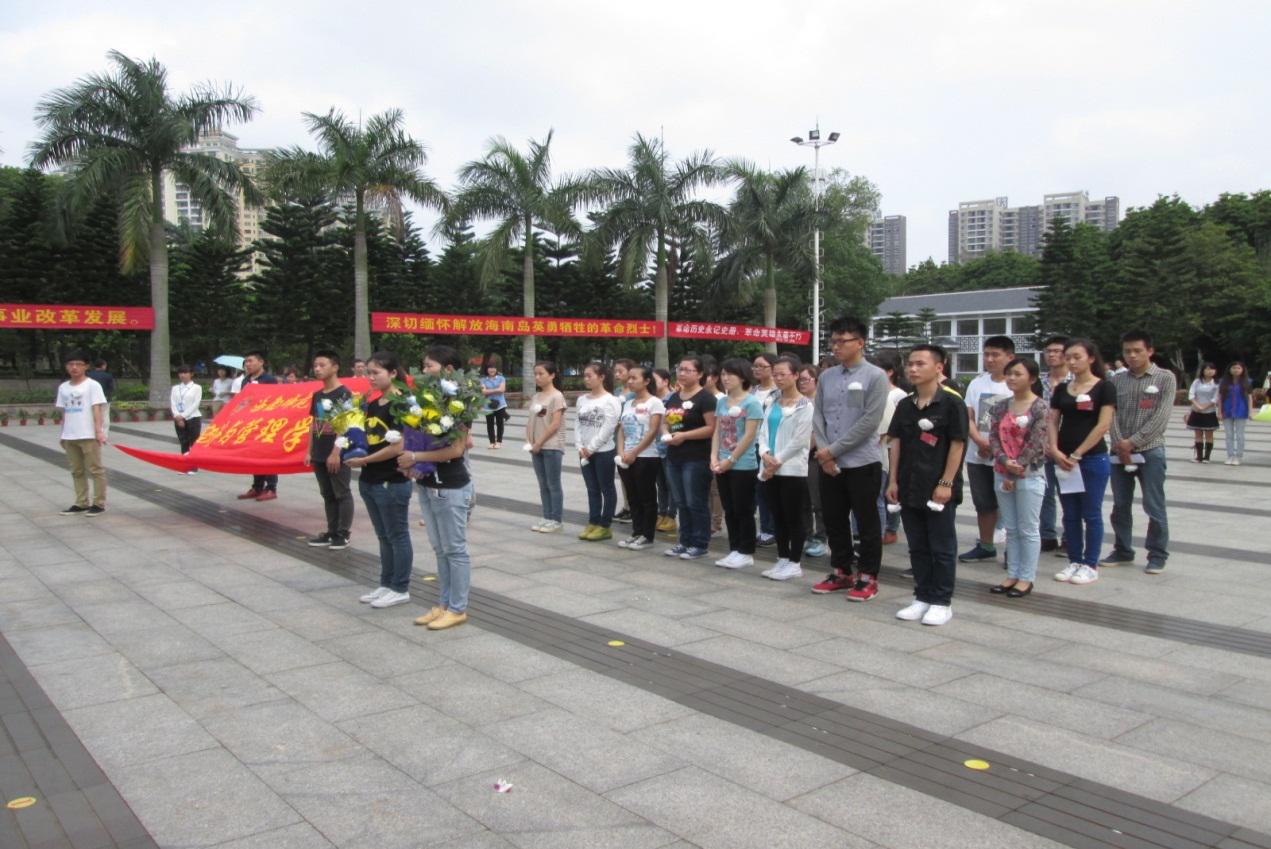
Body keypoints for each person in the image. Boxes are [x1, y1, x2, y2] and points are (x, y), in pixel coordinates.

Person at [886, 344, 967, 625]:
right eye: (910, 364)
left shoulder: (951, 402)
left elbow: (957, 444)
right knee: (917, 546)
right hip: (909, 484)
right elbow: (895, 442)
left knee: (941, 546)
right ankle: (921, 596)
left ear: (939, 367)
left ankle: (942, 601)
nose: (913, 369)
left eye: (920, 364)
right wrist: (893, 480)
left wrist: (946, 482)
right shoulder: (905, 404)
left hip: (938, 487)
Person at [811, 317, 889, 601]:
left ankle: (868, 576)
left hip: (862, 462)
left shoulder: (875, 376)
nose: (836, 347)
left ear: (860, 342)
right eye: (833, 341)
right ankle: (841, 570)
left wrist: (833, 450)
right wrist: (824, 453)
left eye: (842, 341)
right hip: (828, 462)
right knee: (834, 519)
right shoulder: (827, 377)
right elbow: (818, 416)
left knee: (866, 521)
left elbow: (870, 421)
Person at [405, 346, 477, 630]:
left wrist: (415, 457)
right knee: (440, 549)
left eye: (429, 366)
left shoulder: (459, 404)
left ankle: (458, 608)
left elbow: (456, 450)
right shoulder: (425, 403)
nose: (423, 372)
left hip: (450, 485)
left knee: (455, 549)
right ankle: (444, 603)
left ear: (448, 370)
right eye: (422, 366)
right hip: (426, 483)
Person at [1101, 330, 1175, 575]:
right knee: (1120, 504)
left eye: (1137, 351)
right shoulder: (1116, 380)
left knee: (1154, 505)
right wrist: (1119, 442)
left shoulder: (1165, 378)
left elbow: (1161, 418)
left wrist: (1132, 442)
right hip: (1119, 452)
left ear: (1150, 351)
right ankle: (1123, 549)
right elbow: (1111, 413)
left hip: (1150, 451)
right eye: (1127, 351)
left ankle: (1157, 553)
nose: (1131, 356)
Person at [342, 352, 412, 609]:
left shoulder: (402, 403)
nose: (370, 377)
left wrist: (365, 461)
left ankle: (400, 587)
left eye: (376, 373)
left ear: (393, 373)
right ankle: (386, 583)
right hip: (370, 479)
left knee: (397, 535)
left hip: (390, 480)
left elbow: (399, 446)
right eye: (368, 372)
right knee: (383, 535)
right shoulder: (371, 403)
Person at [1048, 339, 1116, 585]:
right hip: (1064, 460)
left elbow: (1103, 425)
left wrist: (1078, 454)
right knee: (1070, 514)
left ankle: (1090, 563)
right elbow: (1052, 421)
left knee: (1091, 512)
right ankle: (1074, 560)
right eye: (1069, 357)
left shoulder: (1104, 387)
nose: (1072, 361)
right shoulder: (1062, 389)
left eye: (1077, 356)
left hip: (1091, 459)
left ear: (1091, 358)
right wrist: (1055, 449)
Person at [988, 358, 1050, 598]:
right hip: (1002, 472)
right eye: (1009, 374)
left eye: (1017, 374)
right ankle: (1012, 574)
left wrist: (1018, 465)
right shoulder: (1001, 406)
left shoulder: (1039, 407)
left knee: (1028, 528)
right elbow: (993, 436)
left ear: (1032, 378)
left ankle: (1026, 577)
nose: (1012, 378)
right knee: (1011, 529)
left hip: (1029, 474)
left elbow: (1038, 440)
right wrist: (1004, 461)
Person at [757, 356, 815, 581]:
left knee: (794, 516)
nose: (778, 378)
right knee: (777, 515)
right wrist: (765, 454)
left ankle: (794, 562)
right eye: (776, 374)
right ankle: (782, 557)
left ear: (795, 375)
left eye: (783, 374)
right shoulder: (772, 400)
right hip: (769, 466)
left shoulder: (805, 405)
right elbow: (763, 431)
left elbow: (800, 440)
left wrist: (776, 460)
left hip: (791, 469)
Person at [959, 335, 1014, 563]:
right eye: (987, 354)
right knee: (983, 503)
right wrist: (980, 442)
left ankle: (1014, 549)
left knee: (1010, 503)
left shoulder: (1014, 383)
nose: (989, 359)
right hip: (977, 453)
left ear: (1010, 357)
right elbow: (968, 416)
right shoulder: (977, 383)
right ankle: (986, 544)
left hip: (1007, 455)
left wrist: (994, 446)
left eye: (995, 355)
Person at [662, 355, 717, 559]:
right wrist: (666, 433)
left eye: (687, 370)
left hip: (696, 457)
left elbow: (711, 428)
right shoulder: (675, 397)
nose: (682, 373)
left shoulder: (705, 398)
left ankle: (700, 543)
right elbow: (667, 421)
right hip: (674, 456)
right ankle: (684, 541)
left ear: (700, 374)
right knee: (681, 501)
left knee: (696, 501)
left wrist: (684, 436)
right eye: (680, 369)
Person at [710, 358, 763, 569]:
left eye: (729, 374)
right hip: (721, 463)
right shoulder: (722, 402)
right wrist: (714, 457)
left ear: (742, 377)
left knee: (743, 509)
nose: (725, 378)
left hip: (743, 464)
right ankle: (734, 549)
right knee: (729, 508)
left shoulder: (752, 403)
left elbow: (749, 436)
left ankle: (746, 551)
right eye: (723, 374)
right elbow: (717, 431)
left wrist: (731, 460)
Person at [307, 350, 353, 550]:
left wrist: (336, 453)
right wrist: (309, 451)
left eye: (322, 365)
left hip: (337, 452)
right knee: (327, 494)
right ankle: (331, 531)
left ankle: (343, 533)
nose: (317, 369)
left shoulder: (344, 394)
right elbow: (313, 423)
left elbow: (346, 426)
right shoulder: (317, 395)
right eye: (316, 365)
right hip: (319, 451)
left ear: (335, 367)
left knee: (341, 492)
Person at [615, 366, 664, 550]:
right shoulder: (628, 404)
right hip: (625, 457)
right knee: (632, 496)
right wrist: (621, 452)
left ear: (647, 381)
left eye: (634, 378)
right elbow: (621, 430)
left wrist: (634, 452)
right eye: (629, 378)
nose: (629, 381)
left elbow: (652, 431)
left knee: (647, 497)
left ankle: (647, 535)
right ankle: (636, 532)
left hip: (646, 456)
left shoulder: (655, 403)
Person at [55, 351, 108, 516]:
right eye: (71, 364)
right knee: (76, 471)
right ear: (66, 367)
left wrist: (99, 431)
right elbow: (64, 412)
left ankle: (98, 503)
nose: (74, 367)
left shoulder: (92, 385)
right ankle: (81, 502)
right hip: (70, 435)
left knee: (95, 470)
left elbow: (97, 408)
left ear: (86, 366)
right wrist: (63, 434)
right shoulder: (63, 387)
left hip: (88, 434)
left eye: (78, 364)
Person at [575, 362, 622, 541]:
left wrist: (591, 447)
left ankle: (605, 525)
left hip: (604, 451)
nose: (586, 379)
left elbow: (609, 427)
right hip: (584, 452)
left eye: (589, 375)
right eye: (584, 376)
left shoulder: (611, 400)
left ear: (601, 377)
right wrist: (580, 446)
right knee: (591, 489)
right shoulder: (582, 399)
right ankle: (593, 521)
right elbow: (577, 424)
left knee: (606, 488)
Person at [1038, 337, 1071, 555]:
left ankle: (1070, 536)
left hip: (1067, 445)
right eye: (1048, 351)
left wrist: (1056, 444)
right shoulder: (1038, 381)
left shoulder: (1077, 381)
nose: (1051, 355)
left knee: (1068, 493)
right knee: (1044, 493)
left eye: (1057, 351)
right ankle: (1047, 535)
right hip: (1040, 446)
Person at [527, 361, 567, 533]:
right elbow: (532, 420)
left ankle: (556, 520)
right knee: (543, 484)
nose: (537, 377)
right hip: (536, 446)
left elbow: (555, 424)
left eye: (541, 373)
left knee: (553, 484)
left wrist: (539, 442)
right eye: (535, 374)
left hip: (551, 446)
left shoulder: (557, 396)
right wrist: (530, 441)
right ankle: (547, 516)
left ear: (552, 375)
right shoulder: (536, 397)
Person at [236, 351, 280, 501]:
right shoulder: (245, 380)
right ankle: (257, 486)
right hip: (251, 424)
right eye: (246, 362)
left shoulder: (270, 380)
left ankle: (271, 487)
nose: (247, 364)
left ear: (261, 362)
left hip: (266, 424)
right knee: (254, 455)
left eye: (250, 361)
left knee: (267, 456)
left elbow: (275, 401)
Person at [797, 364, 828, 559]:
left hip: (813, 456)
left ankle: (821, 538)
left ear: (816, 381)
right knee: (802, 501)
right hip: (795, 457)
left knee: (818, 501)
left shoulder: (821, 403)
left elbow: (818, 431)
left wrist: (804, 449)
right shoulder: (796, 401)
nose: (801, 383)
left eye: (805, 380)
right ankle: (806, 535)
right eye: (799, 379)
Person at [750, 353, 779, 547]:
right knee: (757, 490)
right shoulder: (751, 391)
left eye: (762, 366)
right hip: (750, 445)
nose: (757, 369)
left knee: (769, 489)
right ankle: (764, 528)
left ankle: (771, 529)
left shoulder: (779, 392)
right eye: (755, 366)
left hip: (769, 446)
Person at [652, 367, 678, 534]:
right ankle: (661, 513)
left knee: (672, 483)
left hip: (668, 447)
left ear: (665, 381)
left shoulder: (673, 399)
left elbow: (674, 422)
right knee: (661, 484)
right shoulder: (652, 400)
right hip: (654, 448)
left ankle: (671, 515)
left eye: (654, 380)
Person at [611, 358, 636, 524]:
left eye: (621, 371)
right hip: (617, 438)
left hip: (632, 439)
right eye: (616, 371)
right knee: (623, 475)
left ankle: (635, 508)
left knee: (635, 476)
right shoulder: (617, 391)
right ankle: (627, 506)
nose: (617, 374)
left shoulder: (637, 392)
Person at [170, 365, 203, 473]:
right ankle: (184, 465)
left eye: (185, 372)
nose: (182, 375)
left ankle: (193, 466)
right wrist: (177, 417)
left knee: (193, 442)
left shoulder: (197, 387)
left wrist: (183, 416)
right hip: (178, 418)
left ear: (191, 374)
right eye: (180, 373)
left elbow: (195, 404)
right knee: (183, 442)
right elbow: (173, 403)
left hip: (193, 418)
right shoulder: (175, 388)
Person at [1219, 361, 1252, 465]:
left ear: (1242, 370)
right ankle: (1230, 455)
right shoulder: (1223, 382)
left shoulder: (1247, 381)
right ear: (1230, 369)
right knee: (1228, 434)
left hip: (1241, 410)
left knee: (1240, 435)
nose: (1236, 370)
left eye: (1238, 368)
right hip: (1227, 410)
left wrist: (1250, 411)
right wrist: (1219, 411)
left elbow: (1250, 398)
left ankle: (1238, 456)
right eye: (1234, 368)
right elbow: (1220, 398)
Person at [1187, 363, 1220, 463]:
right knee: (1198, 434)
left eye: (1212, 369)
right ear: (1203, 371)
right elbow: (1191, 394)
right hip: (1196, 411)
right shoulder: (1197, 381)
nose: (1209, 371)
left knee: (1209, 435)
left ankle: (1207, 457)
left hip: (1210, 412)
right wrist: (1198, 406)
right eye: (1207, 369)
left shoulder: (1217, 384)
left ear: (1215, 371)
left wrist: (1204, 407)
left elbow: (1215, 398)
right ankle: (1199, 457)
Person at [480, 362, 509, 448]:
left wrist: (489, 390)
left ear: (496, 369)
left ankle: (499, 442)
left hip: (500, 404)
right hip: (487, 405)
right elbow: (483, 391)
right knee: (490, 424)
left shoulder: (501, 378)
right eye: (490, 368)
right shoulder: (483, 380)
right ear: (486, 370)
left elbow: (502, 390)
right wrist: (496, 390)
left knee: (500, 424)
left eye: (493, 368)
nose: (492, 370)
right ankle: (492, 442)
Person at [86, 358, 115, 436]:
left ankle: (92, 434)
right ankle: (104, 435)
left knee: (91, 416)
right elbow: (111, 388)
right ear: (103, 366)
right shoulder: (108, 376)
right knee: (105, 416)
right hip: (104, 399)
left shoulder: (88, 375)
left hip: (90, 399)